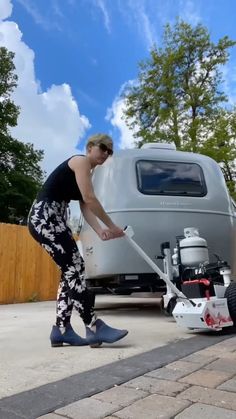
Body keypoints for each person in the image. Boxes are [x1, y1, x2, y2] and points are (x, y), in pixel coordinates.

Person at [28, 134, 128, 347]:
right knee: (75, 269)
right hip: (44, 218)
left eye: (110, 151)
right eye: (103, 148)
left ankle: (62, 330)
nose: (106, 154)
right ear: (90, 147)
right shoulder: (80, 161)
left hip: (54, 220)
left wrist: (101, 231)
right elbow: (91, 199)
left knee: (71, 270)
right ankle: (93, 327)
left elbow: (85, 206)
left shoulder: (88, 173)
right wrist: (112, 226)